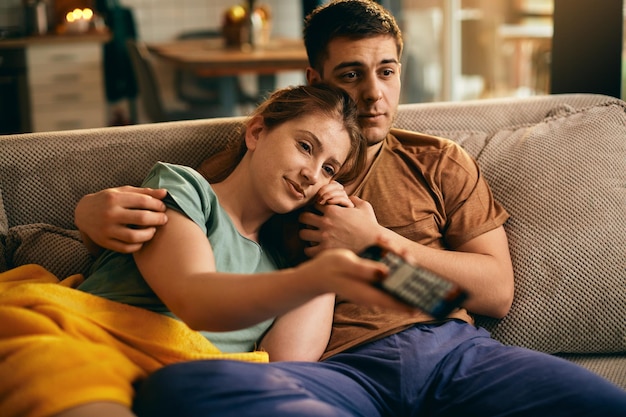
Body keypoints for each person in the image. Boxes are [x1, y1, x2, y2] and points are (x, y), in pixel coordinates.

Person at [75, 1, 626, 416]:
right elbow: (176, 219)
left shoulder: (438, 161)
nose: (373, 95)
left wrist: (379, 243)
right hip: (335, 374)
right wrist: (89, 214)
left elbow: (490, 296)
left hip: (449, 352)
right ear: (315, 81)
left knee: (600, 402)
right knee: (187, 388)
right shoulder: (274, 163)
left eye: (386, 72)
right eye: (351, 75)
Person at [0, 83, 421, 417]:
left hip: (190, 390)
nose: (312, 174)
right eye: (305, 146)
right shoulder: (186, 189)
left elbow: (286, 367)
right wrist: (314, 277)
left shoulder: (280, 266)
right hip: (89, 346)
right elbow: (194, 297)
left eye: (329, 168)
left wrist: (328, 250)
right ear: (257, 132)